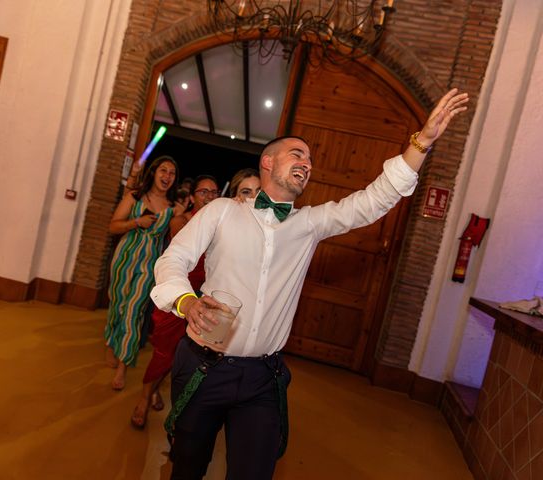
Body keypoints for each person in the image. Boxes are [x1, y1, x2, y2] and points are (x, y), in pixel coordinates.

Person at [150, 88, 469, 479]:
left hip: (261, 379)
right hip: (203, 367)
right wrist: (186, 303)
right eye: (297, 154)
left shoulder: (309, 224)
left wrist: (422, 143)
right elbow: (173, 261)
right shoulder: (221, 212)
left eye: (311, 159)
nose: (307, 163)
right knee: (187, 467)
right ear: (267, 162)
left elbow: (374, 200)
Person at [130, 175, 219, 429]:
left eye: (213, 193)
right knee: (164, 351)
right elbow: (177, 258)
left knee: (186, 354)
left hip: (204, 297)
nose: (209, 197)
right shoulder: (181, 222)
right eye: (203, 192)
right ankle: (144, 399)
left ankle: (156, 391)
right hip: (177, 295)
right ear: (192, 197)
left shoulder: (221, 226)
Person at [105, 155, 182, 391]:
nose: (167, 176)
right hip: (124, 259)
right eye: (163, 170)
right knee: (117, 304)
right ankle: (111, 341)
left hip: (150, 264)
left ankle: (122, 367)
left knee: (134, 311)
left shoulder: (173, 209)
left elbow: (179, 237)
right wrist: (135, 222)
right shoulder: (134, 197)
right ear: (154, 172)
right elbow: (113, 226)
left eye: (171, 173)